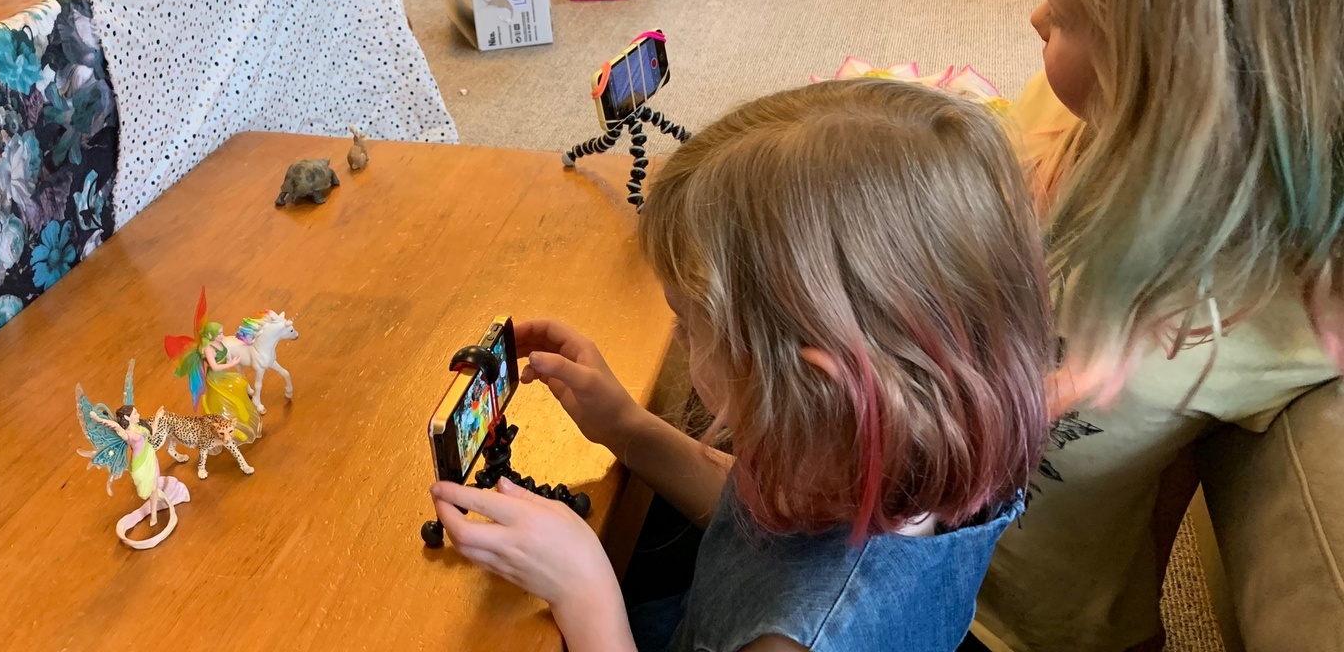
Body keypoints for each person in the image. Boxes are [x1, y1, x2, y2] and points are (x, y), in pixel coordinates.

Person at [430, 79, 1056, 652]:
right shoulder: (887, 453)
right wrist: (627, 428)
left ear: (812, 390)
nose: (677, 342)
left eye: (691, 324)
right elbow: (760, 526)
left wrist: (587, 595)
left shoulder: (802, 640)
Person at [975, 0, 1344, 649]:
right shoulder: (1063, 107)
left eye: (1067, 19)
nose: (1035, 19)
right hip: (906, 547)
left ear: (1180, 79)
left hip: (1053, 630)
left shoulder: (1276, 303)